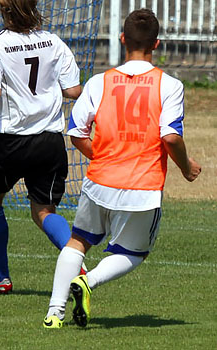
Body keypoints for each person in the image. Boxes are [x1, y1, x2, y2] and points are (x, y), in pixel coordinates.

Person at [42, 8, 201, 329]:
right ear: (156, 44)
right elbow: (169, 136)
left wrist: (102, 155)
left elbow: (76, 132)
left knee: (78, 242)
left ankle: (54, 314)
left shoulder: (100, 81)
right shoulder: (169, 85)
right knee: (133, 252)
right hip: (142, 188)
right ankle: (89, 282)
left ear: (122, 38)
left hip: (100, 179)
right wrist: (186, 167)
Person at [0, 0, 82, 293]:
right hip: (50, 141)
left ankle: (1, 274)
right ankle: (79, 266)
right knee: (43, 212)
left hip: (9, 141)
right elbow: (74, 90)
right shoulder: (54, 42)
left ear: (4, 12)